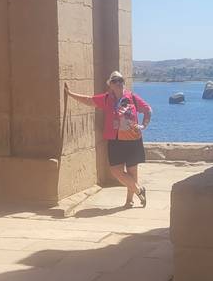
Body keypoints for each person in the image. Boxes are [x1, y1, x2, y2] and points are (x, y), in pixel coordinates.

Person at [65, 71, 152, 208]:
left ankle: (129, 201)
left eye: (120, 80)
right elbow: (89, 100)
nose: (118, 83)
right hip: (115, 139)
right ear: (110, 85)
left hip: (133, 139)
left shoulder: (132, 97)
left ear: (123, 82)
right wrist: (70, 94)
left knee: (132, 171)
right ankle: (139, 190)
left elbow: (147, 109)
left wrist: (143, 125)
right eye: (114, 81)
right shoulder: (106, 99)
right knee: (116, 171)